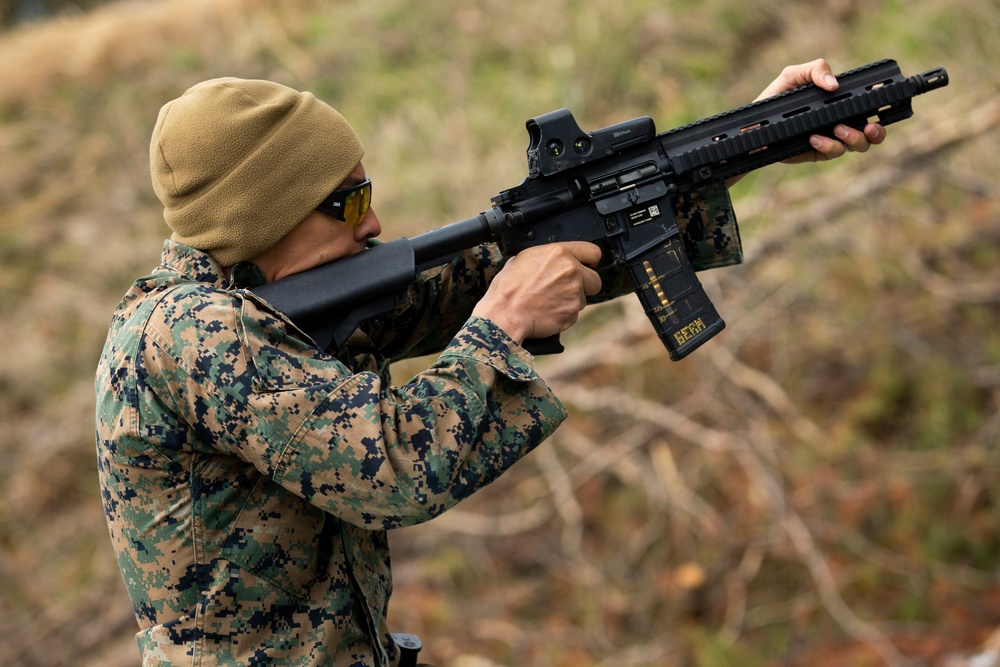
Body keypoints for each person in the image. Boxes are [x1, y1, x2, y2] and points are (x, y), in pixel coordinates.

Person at [95, 59, 885, 666]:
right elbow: (394, 466)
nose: (374, 224)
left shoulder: (273, 299)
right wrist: (502, 325)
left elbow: (487, 271)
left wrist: (743, 142)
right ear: (264, 216)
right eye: (349, 203)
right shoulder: (189, 335)